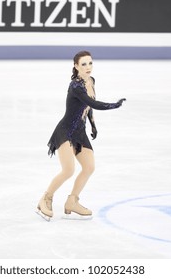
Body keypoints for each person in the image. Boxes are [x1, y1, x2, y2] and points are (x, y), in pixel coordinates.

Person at [37, 50, 126, 221]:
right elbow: (92, 102)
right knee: (68, 170)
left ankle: (72, 201)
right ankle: (45, 198)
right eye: (84, 64)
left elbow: (88, 106)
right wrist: (113, 105)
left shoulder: (91, 81)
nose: (88, 67)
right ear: (76, 66)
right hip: (65, 131)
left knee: (89, 167)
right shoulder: (76, 86)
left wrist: (93, 124)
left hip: (80, 132)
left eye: (90, 63)